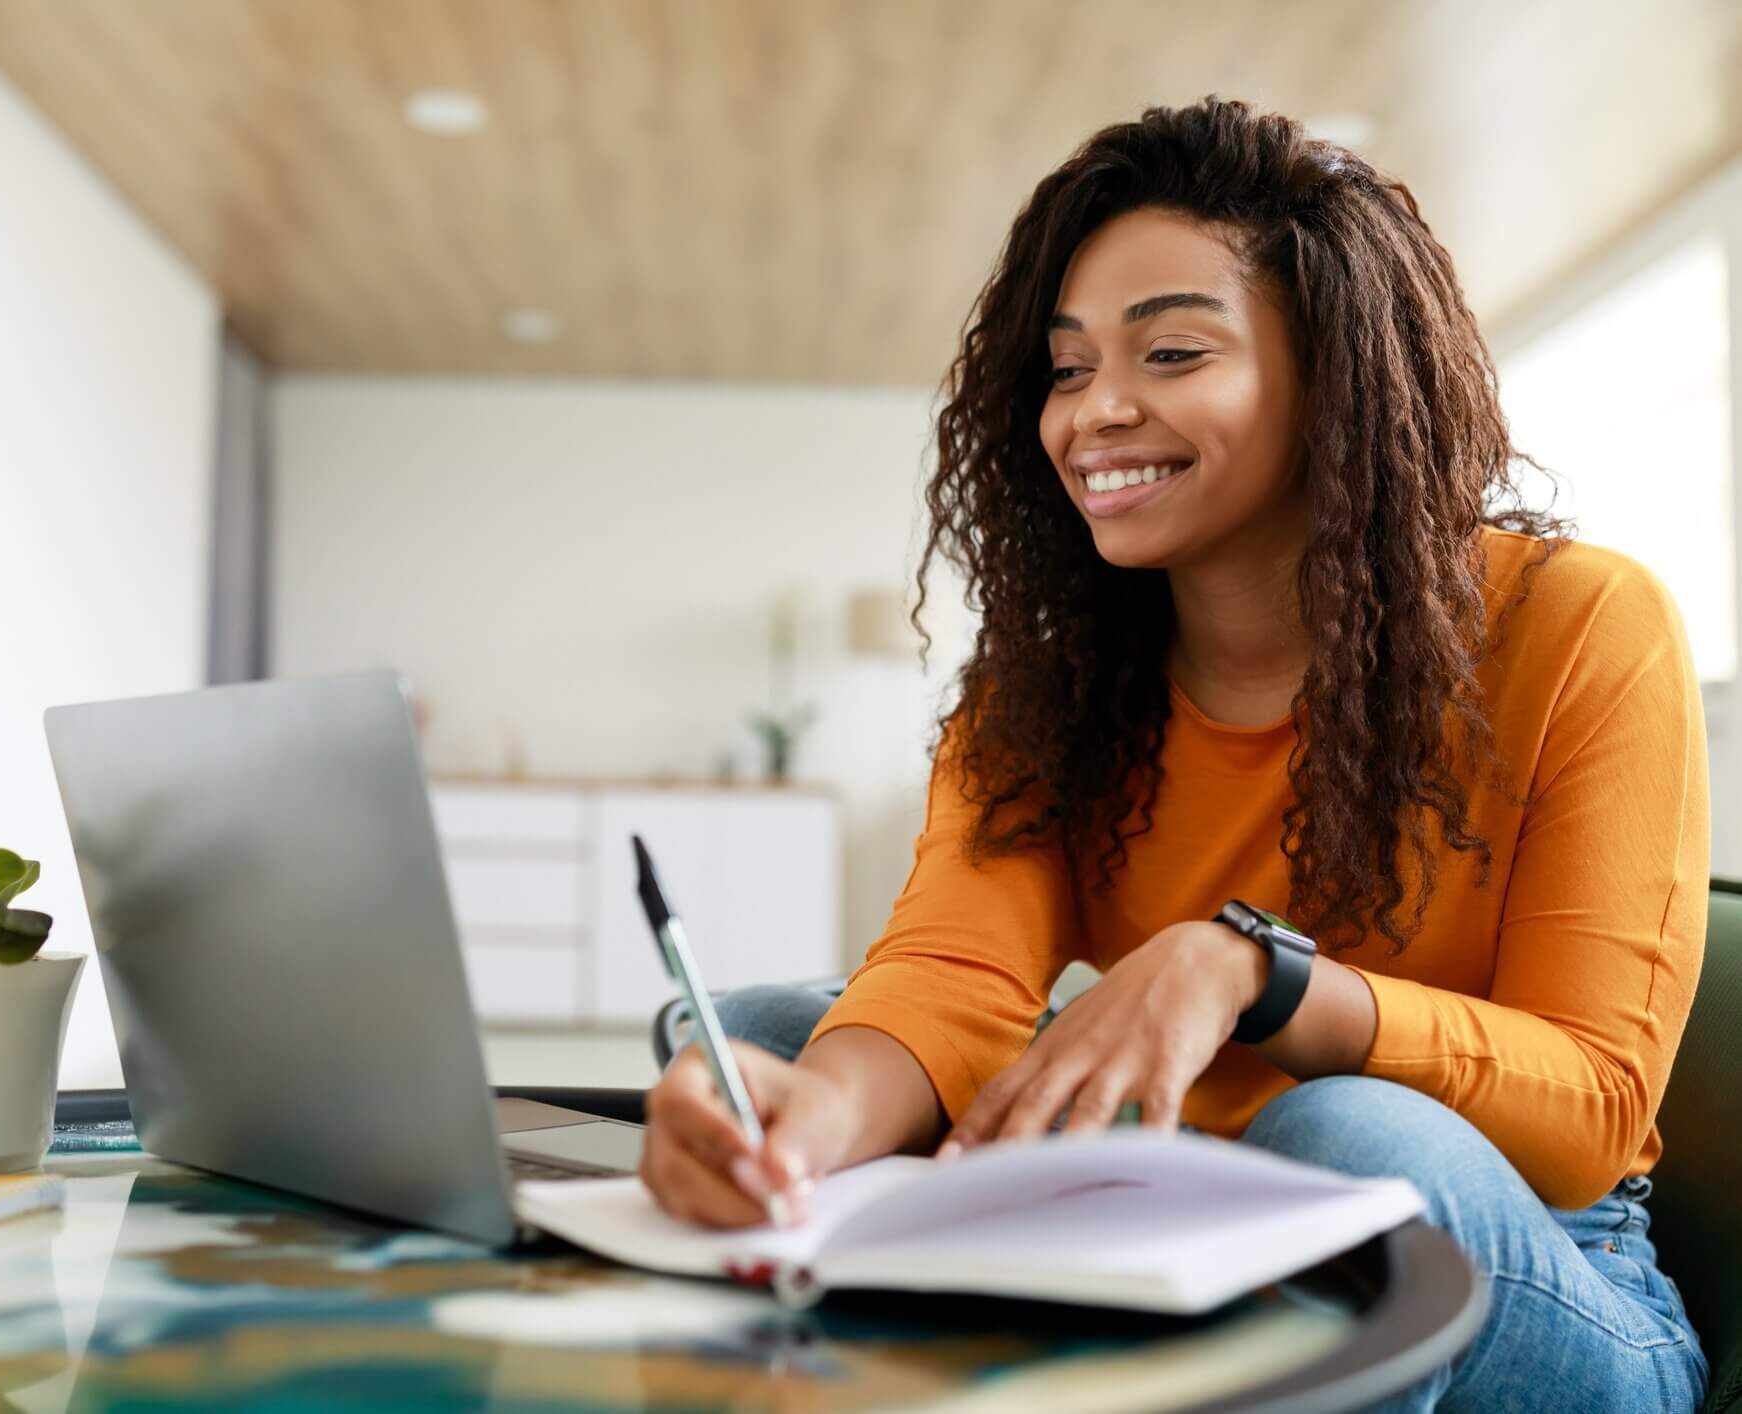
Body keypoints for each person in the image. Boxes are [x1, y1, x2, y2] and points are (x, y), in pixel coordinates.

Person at [641, 97, 1709, 1411]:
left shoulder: (1583, 622)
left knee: (1340, 1135)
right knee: (777, 1040)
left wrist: (1255, 975)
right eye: (1071, 367)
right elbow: (948, 971)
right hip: (1176, 1210)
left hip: (1543, 1275)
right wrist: (805, 1133)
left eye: (1172, 354)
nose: (1097, 412)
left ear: (1335, 373)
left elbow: (1590, 1107)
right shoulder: (1047, 686)